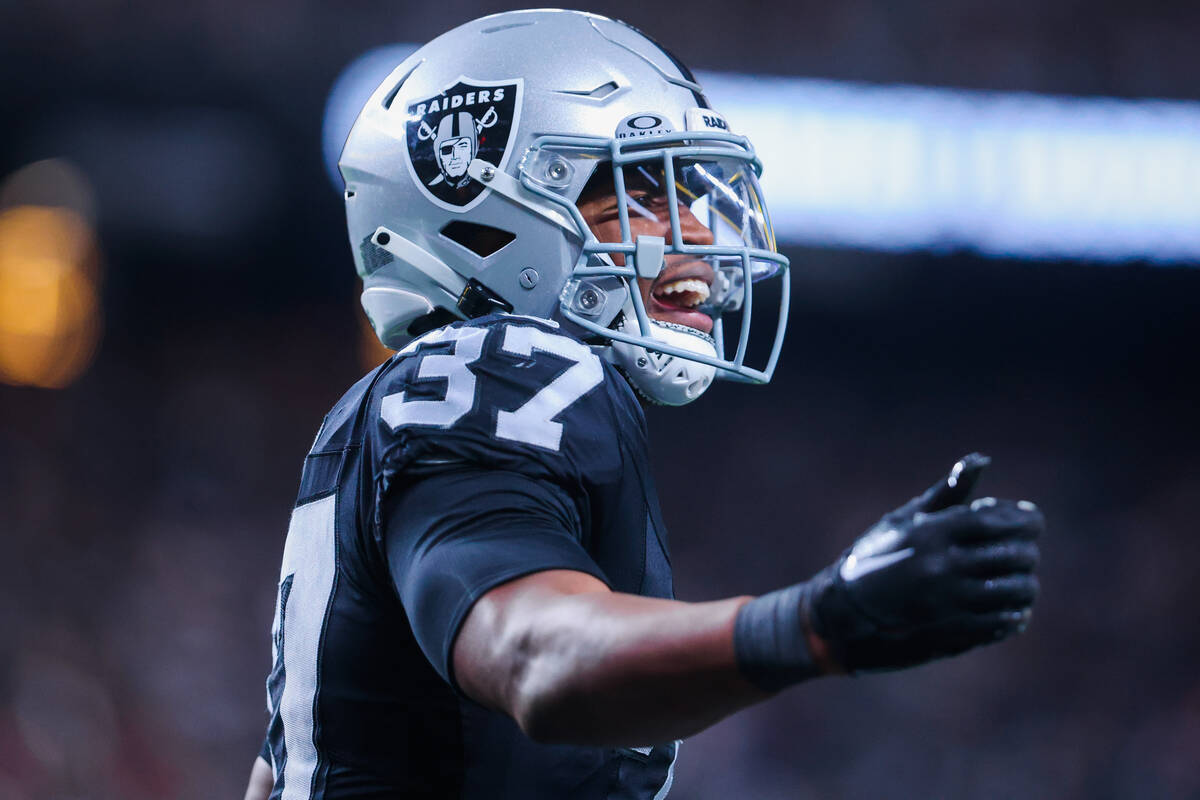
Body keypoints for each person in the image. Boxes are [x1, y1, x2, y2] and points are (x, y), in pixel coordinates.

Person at [244, 10, 1043, 799]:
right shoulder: (499, 367)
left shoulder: (411, 401)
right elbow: (531, 653)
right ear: (488, 204)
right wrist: (815, 622)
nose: (700, 238)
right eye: (646, 192)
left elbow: (275, 772)